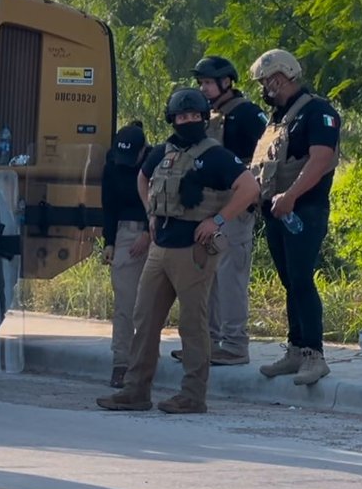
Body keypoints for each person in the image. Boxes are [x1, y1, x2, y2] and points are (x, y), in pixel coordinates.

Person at [96, 89, 259, 414]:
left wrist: (218, 220)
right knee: (145, 318)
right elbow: (143, 179)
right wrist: (151, 214)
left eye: (194, 116)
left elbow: (250, 187)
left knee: (192, 324)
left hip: (194, 249)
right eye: (182, 117)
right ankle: (135, 391)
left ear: (203, 118)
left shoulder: (215, 155)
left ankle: (192, 395)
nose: (188, 121)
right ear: (173, 120)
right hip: (161, 246)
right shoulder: (162, 152)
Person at [248, 49, 341, 387]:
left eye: (267, 81)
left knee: (302, 279)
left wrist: (291, 197)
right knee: (289, 281)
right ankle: (296, 349)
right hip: (276, 211)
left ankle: (315, 355)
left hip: (305, 210)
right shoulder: (278, 118)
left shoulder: (318, 113)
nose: (264, 88)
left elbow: (321, 159)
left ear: (282, 77)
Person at [191, 55, 267, 365]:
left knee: (231, 275)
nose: (204, 88)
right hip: (209, 208)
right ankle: (209, 342)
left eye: (208, 82)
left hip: (236, 208)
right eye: (201, 84)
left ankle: (235, 344)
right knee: (208, 276)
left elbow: (265, 156)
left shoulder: (248, 114)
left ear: (226, 82)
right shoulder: (207, 116)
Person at [101, 121, 152, 389]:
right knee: (125, 303)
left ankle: (146, 362)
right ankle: (121, 362)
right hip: (124, 232)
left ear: (143, 151)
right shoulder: (112, 166)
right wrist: (109, 242)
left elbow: (160, 199)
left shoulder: (155, 161)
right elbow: (109, 205)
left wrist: (147, 230)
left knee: (151, 307)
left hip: (156, 230)